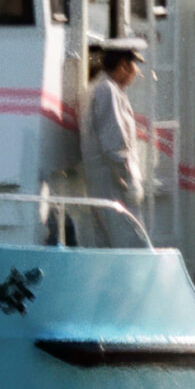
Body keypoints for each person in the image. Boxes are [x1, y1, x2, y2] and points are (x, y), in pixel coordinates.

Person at [79, 43, 148, 247]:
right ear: (123, 65)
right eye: (134, 66)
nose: (136, 73)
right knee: (130, 242)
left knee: (111, 241)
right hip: (113, 182)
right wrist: (127, 181)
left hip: (108, 180)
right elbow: (114, 144)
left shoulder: (108, 89)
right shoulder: (107, 90)